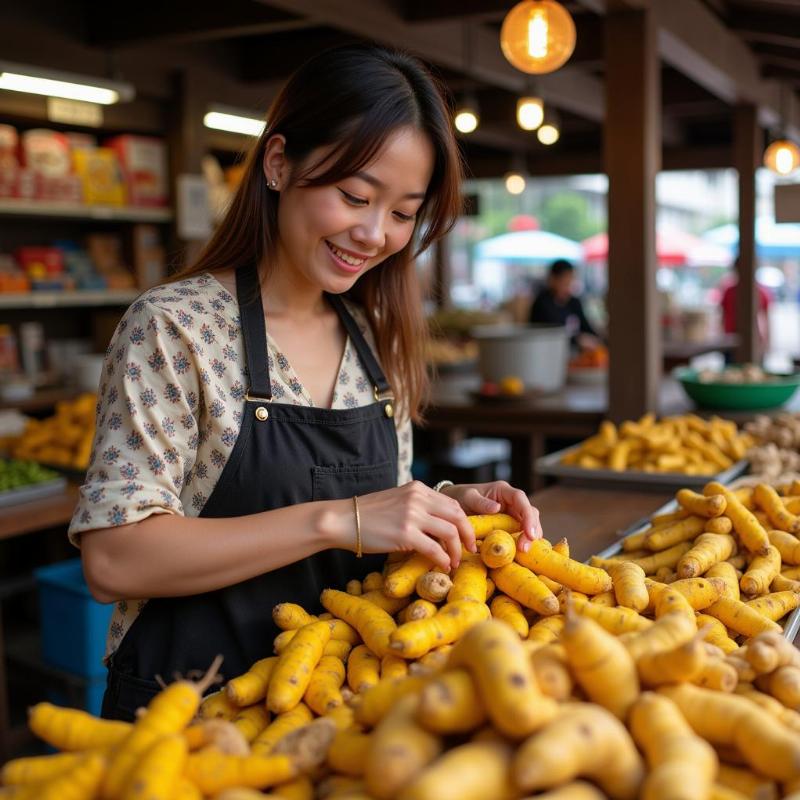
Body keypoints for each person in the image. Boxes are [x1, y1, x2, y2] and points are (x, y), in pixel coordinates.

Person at [69, 45, 543, 721]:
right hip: (189, 725)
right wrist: (336, 521)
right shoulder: (176, 329)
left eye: (404, 213)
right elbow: (115, 558)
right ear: (279, 163)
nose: (376, 233)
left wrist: (440, 506)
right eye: (354, 195)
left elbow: (374, 521)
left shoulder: (375, 338)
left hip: (337, 722)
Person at [529, 259, 600, 350]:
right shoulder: (542, 303)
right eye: (564, 281)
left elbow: (586, 327)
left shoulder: (574, 302)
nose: (567, 285)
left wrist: (596, 338)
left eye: (569, 281)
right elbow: (551, 333)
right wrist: (577, 340)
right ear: (553, 279)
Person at [718, 268, 771, 363]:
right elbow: (722, 317)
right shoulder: (729, 291)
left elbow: (766, 320)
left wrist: (766, 343)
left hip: (754, 340)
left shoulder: (761, 292)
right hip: (730, 340)